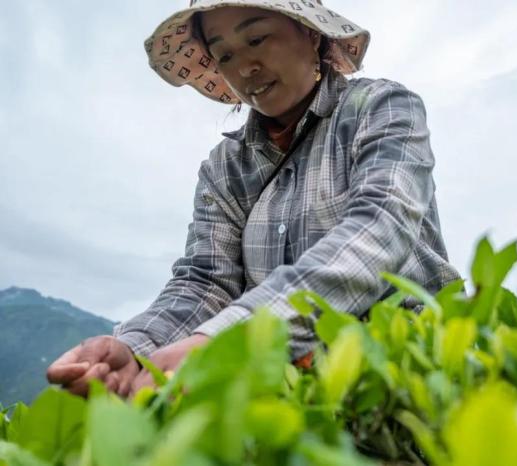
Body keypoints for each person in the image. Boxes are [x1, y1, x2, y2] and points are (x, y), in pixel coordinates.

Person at [46, 0, 461, 398]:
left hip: (407, 385)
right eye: (224, 56)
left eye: (258, 39)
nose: (245, 68)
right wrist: (137, 350)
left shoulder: (380, 108)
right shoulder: (225, 168)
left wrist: (232, 338)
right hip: (295, 399)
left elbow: (380, 230)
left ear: (310, 33)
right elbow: (205, 281)